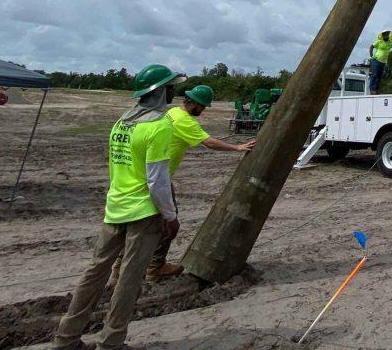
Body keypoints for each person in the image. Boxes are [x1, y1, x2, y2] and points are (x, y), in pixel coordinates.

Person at [53, 63, 185, 350]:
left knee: (95, 272)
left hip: (114, 208)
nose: (174, 92)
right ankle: (111, 343)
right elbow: (157, 180)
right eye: (171, 87)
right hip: (143, 213)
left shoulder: (122, 122)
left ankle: (66, 338)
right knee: (129, 279)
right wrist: (170, 216)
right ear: (162, 92)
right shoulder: (160, 126)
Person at [142, 84, 256, 278]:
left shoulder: (173, 113)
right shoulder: (185, 121)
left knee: (142, 223)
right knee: (169, 224)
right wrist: (237, 148)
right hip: (160, 178)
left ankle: (126, 267)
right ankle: (154, 267)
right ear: (192, 103)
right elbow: (208, 142)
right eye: (202, 106)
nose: (203, 110)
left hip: (147, 174)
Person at [369, 30, 392, 94]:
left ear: (389, 35)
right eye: (384, 35)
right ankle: (372, 89)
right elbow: (371, 47)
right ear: (382, 36)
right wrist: (371, 56)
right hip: (376, 60)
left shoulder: (390, 43)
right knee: (375, 75)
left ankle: (377, 90)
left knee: (380, 76)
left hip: (383, 62)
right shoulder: (379, 42)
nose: (385, 36)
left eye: (386, 34)